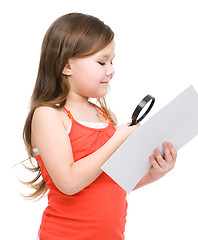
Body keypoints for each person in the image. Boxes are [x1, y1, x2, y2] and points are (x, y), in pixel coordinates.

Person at [23, 12, 177, 240]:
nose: (111, 69)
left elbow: (110, 183)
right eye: (101, 61)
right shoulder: (49, 115)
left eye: (112, 61)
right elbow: (69, 181)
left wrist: (155, 174)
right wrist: (116, 140)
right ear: (67, 66)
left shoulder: (105, 116)